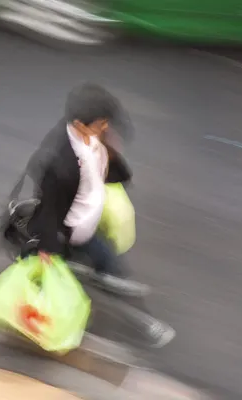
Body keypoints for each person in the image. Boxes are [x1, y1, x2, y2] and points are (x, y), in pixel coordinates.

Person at [22, 83, 149, 297]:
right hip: (74, 227)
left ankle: (109, 276)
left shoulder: (92, 138)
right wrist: (47, 249)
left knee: (106, 253)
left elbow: (108, 168)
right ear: (81, 125)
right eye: (101, 124)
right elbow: (50, 209)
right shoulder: (63, 166)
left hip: (87, 216)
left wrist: (113, 156)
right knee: (96, 253)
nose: (106, 128)